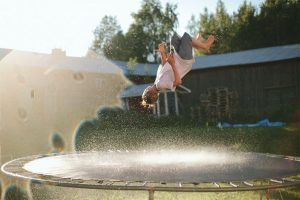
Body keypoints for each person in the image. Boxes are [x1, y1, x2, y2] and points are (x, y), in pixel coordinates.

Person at [142, 32, 215, 106]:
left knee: (174, 38)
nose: (145, 89)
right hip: (183, 62)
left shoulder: (157, 83)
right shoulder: (161, 85)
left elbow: (164, 65)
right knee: (186, 37)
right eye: (145, 91)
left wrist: (162, 52)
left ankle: (195, 43)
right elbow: (178, 82)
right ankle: (205, 46)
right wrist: (172, 64)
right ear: (149, 92)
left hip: (177, 58)